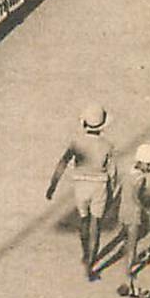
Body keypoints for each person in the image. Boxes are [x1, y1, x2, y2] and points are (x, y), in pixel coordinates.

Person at [46, 103, 115, 282]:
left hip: (80, 186)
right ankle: (90, 267)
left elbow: (63, 162)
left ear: (84, 123)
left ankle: (85, 254)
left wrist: (52, 185)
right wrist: (112, 193)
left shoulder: (76, 143)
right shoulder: (107, 145)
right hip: (99, 186)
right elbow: (112, 173)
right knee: (96, 225)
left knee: (84, 219)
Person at [118, 144, 150, 292]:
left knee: (127, 239)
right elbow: (136, 197)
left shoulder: (129, 173)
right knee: (133, 243)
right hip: (133, 212)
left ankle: (129, 262)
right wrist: (146, 209)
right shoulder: (141, 179)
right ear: (141, 162)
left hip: (123, 210)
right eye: (149, 164)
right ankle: (129, 271)